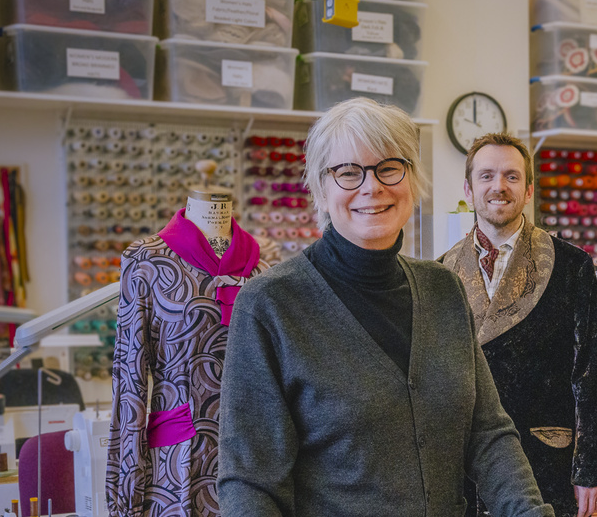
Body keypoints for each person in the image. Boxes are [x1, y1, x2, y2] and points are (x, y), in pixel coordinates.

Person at [218, 98, 553, 517]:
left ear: (411, 180)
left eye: (388, 167)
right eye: (348, 172)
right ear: (321, 189)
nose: (371, 187)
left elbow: (488, 432)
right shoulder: (272, 305)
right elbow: (251, 481)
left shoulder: (443, 290)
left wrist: (529, 511)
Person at [439, 133, 597, 517]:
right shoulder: (440, 273)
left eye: (511, 176)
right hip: (466, 465)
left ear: (528, 189)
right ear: (469, 191)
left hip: (546, 458)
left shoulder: (572, 265)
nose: (498, 186)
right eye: (486, 176)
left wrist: (591, 470)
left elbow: (592, 371)